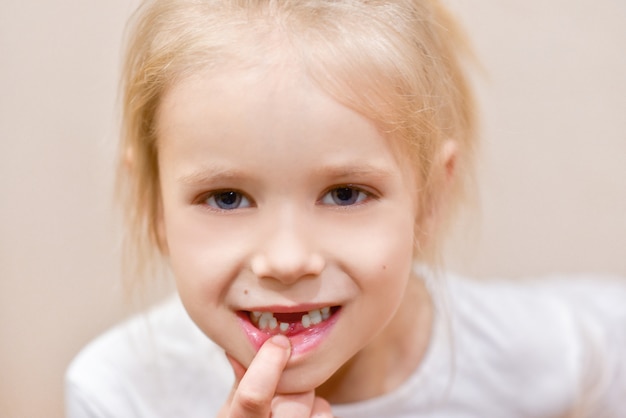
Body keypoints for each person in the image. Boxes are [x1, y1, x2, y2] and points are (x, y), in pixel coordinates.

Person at [65, 0, 626, 417]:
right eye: (226, 198)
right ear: (153, 207)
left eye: (345, 194)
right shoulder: (118, 393)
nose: (286, 261)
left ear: (430, 198)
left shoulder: (537, 357)